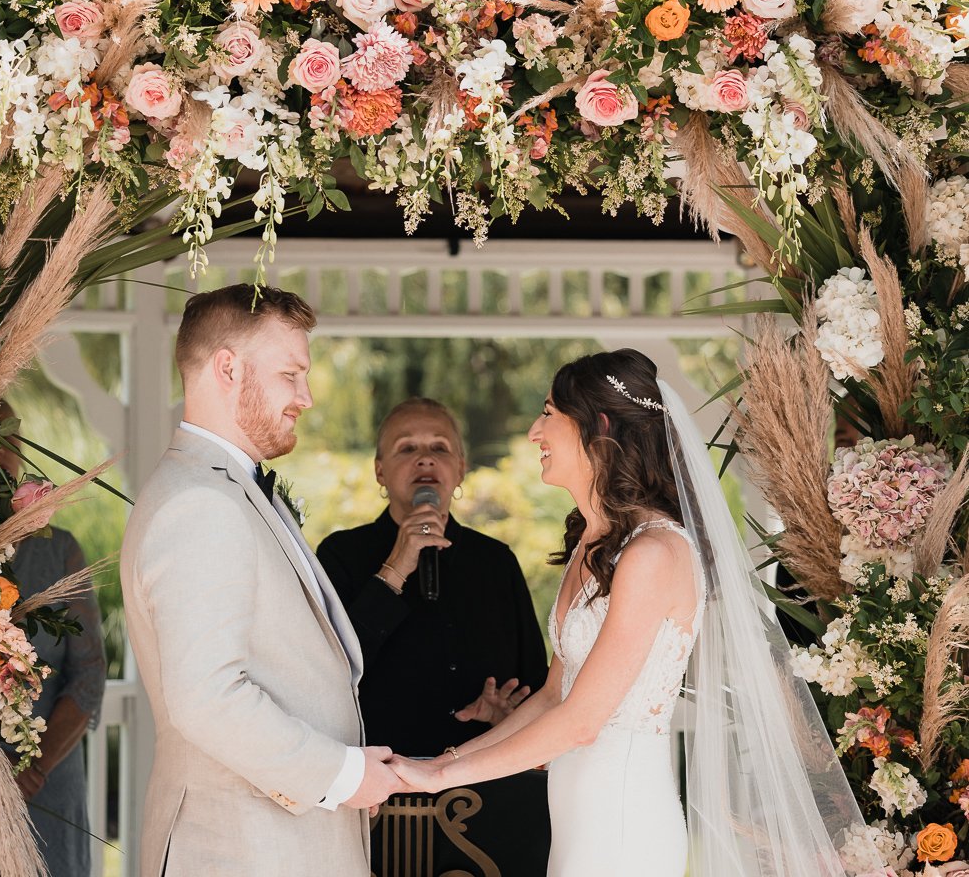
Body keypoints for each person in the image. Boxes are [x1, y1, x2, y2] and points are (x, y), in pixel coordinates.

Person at [388, 349, 887, 876]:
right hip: (576, 827)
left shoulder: (653, 554)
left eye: (549, 412)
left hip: (624, 830)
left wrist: (442, 780)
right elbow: (554, 696)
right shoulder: (591, 543)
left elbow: (580, 724)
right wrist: (442, 763)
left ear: (597, 426)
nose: (535, 431)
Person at [120, 284, 401, 877]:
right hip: (238, 849)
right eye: (290, 374)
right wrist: (341, 776)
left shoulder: (226, 488)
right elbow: (207, 697)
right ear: (228, 368)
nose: (307, 396)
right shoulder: (199, 504)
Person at [316, 397, 548, 757]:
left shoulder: (496, 562)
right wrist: (394, 567)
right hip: (377, 783)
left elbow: (534, 685)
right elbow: (324, 672)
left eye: (439, 447)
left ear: (460, 469)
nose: (425, 458)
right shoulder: (340, 554)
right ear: (380, 471)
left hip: (480, 784)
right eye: (406, 447)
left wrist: (509, 716)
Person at [0, 414, 106, 877]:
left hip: (48, 784)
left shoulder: (59, 550)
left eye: (10, 443)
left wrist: (34, 768)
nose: (2, 458)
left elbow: (89, 672)